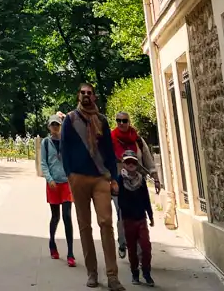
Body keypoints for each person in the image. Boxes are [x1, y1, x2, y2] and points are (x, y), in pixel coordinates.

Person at [61, 83, 124, 291]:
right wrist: (70, 175)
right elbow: (64, 149)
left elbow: (109, 151)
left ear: (94, 97)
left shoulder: (102, 120)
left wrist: (114, 177)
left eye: (89, 93)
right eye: (83, 92)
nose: (86, 95)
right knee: (84, 226)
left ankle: (112, 276)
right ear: (78, 96)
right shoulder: (70, 120)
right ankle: (92, 272)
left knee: (106, 222)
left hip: (100, 178)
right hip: (78, 178)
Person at [111, 112, 160, 259]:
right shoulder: (111, 140)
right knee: (121, 213)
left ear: (129, 121)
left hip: (138, 183)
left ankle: (139, 250)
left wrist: (155, 178)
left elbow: (148, 160)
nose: (121, 123)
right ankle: (122, 241)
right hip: (119, 184)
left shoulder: (138, 140)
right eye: (118, 120)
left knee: (138, 215)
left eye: (124, 120)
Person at [40, 115, 75, 267]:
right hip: (53, 183)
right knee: (56, 217)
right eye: (53, 125)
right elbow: (43, 163)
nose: (55, 127)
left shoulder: (66, 141)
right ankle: (52, 242)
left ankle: (70, 253)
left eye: (58, 125)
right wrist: (49, 179)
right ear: (49, 127)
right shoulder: (46, 143)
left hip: (66, 183)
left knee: (67, 216)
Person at [117, 152, 155, 286]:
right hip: (128, 219)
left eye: (133, 162)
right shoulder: (120, 180)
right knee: (132, 249)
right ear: (124, 164)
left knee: (146, 247)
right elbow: (118, 200)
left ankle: (147, 273)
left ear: (137, 164)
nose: (131, 165)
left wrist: (150, 215)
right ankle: (135, 274)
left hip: (141, 218)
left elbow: (146, 198)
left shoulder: (141, 180)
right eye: (128, 162)